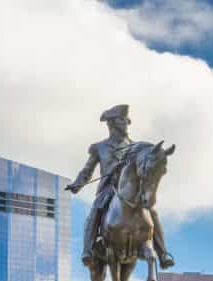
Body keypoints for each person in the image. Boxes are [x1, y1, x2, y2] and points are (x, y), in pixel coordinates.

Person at [65, 104, 174, 269]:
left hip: (132, 190)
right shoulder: (99, 148)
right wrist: (77, 184)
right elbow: (87, 171)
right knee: (95, 210)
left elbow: (145, 168)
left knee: (152, 212)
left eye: (126, 121)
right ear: (112, 124)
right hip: (109, 189)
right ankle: (87, 250)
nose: (126, 124)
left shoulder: (136, 147)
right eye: (122, 121)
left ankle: (163, 253)